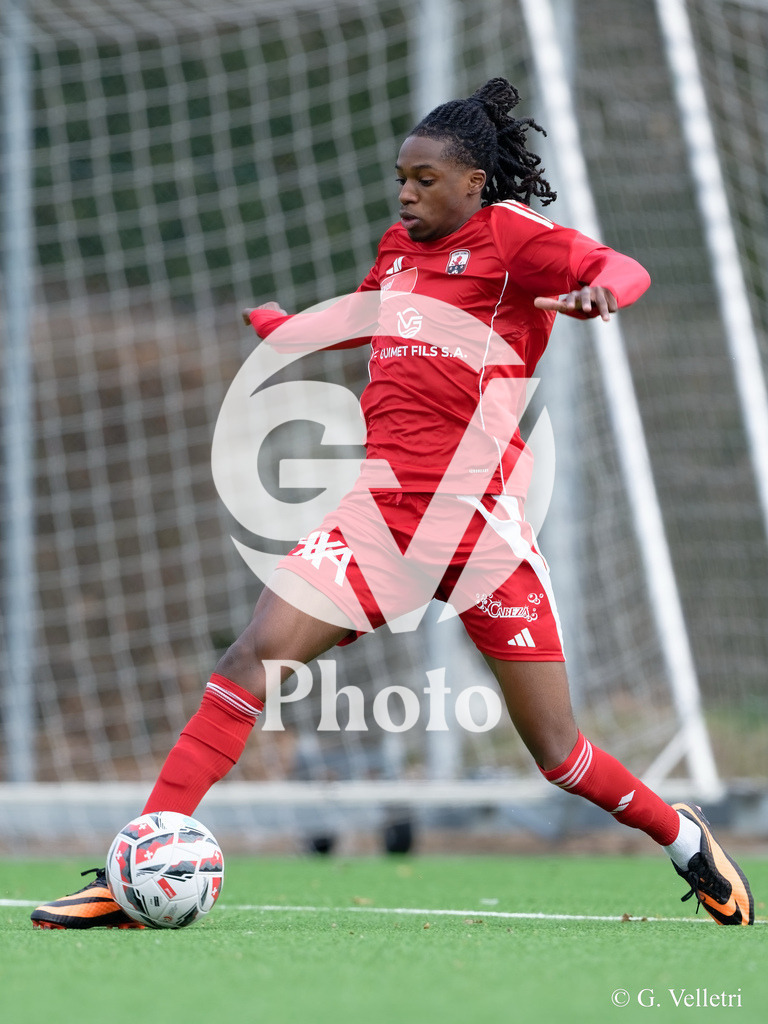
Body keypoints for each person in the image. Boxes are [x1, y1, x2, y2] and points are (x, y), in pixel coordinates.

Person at [32, 78, 753, 929]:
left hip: (479, 537)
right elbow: (379, 314)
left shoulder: (513, 238)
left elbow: (617, 265)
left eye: (423, 179)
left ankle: (682, 837)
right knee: (248, 661)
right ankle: (132, 873)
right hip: (377, 523)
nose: (406, 193)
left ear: (474, 182)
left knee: (559, 756)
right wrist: (290, 329)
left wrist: (606, 292)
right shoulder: (400, 246)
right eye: (400, 178)